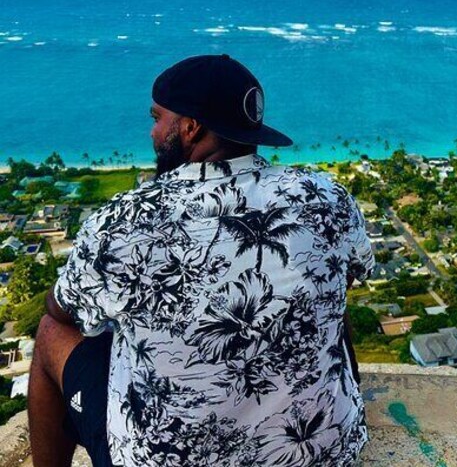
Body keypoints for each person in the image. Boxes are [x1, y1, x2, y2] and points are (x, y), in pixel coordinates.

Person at [28, 55, 374, 466]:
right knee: (326, 286)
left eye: (158, 118)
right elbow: (349, 279)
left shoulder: (125, 221)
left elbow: (61, 310)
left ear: (191, 128)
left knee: (51, 332)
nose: (153, 131)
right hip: (324, 455)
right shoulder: (326, 197)